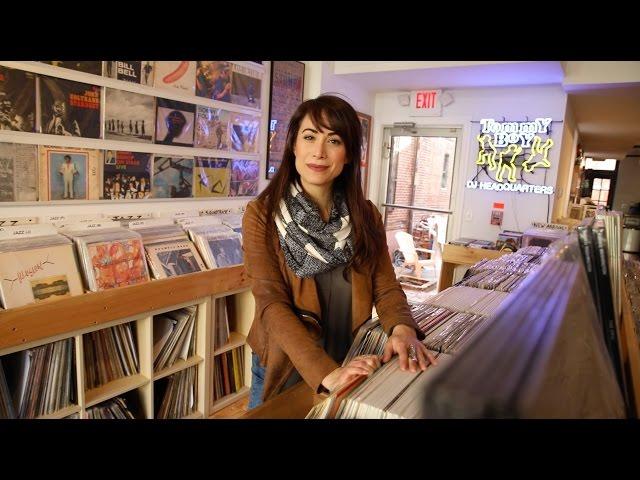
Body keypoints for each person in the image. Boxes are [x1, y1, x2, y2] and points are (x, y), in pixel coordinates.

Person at [243, 94, 436, 409]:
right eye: (309, 137)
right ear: (293, 146)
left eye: (333, 140)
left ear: (348, 155)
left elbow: (385, 286)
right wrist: (327, 373)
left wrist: (402, 329)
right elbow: (271, 303)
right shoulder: (262, 215)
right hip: (286, 360)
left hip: (348, 356)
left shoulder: (365, 215)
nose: (319, 152)